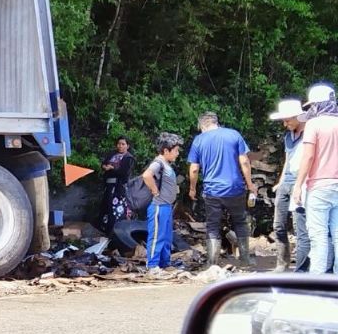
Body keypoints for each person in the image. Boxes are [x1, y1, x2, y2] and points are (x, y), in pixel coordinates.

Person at [188, 111, 257, 266]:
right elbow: (244, 162)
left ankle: (212, 263)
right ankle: (245, 259)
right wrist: (250, 184)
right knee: (240, 222)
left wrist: (192, 188)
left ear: (202, 125)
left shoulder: (199, 140)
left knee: (213, 225)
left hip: (212, 191)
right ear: (216, 122)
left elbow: (194, 169)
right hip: (235, 188)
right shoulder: (234, 135)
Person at [293, 83, 338, 275]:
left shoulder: (314, 124)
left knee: (318, 237)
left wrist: (298, 185)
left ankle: (317, 280)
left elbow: (309, 156)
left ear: (317, 105)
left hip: (319, 187)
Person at [268, 99, 308, 272]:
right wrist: (281, 181)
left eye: (288, 120)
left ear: (298, 116)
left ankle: (302, 268)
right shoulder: (288, 137)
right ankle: (282, 263)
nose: (285, 124)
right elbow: (288, 160)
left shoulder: (310, 134)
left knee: (301, 229)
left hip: (302, 184)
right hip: (286, 183)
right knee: (278, 225)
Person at [142, 133, 182, 278]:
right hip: (158, 206)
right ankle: (152, 266)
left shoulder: (166, 164)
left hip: (166, 206)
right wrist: (154, 190)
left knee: (166, 237)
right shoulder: (158, 163)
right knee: (157, 236)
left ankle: (164, 264)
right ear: (166, 151)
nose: (177, 154)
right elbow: (146, 175)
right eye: (176, 150)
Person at [96, 137, 136, 234]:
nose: (120, 146)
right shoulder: (112, 154)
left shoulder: (128, 158)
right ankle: (103, 229)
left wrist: (112, 168)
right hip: (108, 185)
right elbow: (104, 163)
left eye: (123, 144)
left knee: (115, 208)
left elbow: (124, 173)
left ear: (127, 146)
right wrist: (105, 167)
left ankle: (114, 231)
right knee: (105, 207)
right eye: (119, 144)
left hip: (118, 187)